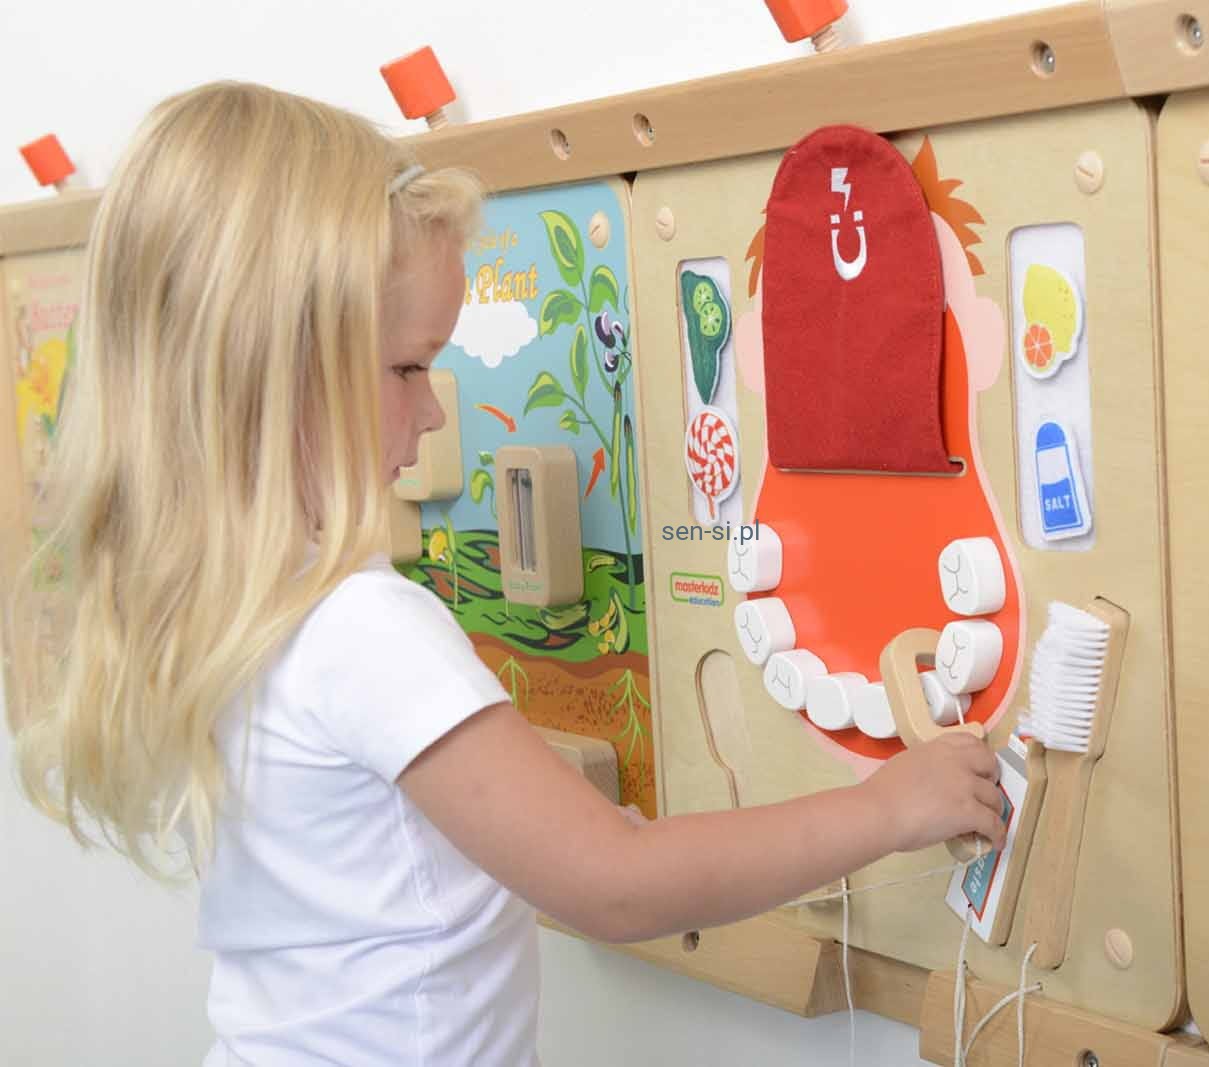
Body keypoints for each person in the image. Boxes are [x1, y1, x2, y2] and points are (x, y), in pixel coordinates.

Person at [5, 82, 1005, 1067]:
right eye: (409, 368)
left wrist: (559, 819)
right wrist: (887, 807)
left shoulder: (232, 603)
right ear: (273, 371)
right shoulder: (359, 626)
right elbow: (615, 884)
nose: (436, 409)